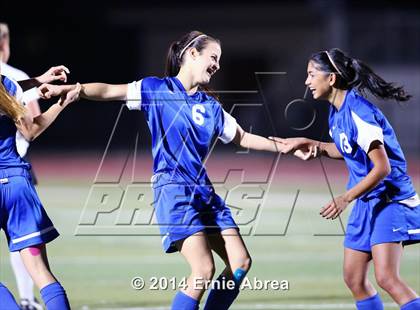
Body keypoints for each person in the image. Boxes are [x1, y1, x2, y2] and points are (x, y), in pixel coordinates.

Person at [39, 30, 290, 310]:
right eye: (213, 57)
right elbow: (110, 90)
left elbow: (242, 137)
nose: (218, 65)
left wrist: (286, 146)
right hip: (173, 188)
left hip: (203, 191)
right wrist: (72, 89)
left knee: (240, 263)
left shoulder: (211, 106)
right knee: (203, 270)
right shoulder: (156, 89)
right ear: (192, 54)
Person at [270, 48, 420, 310]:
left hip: (389, 200)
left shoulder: (358, 112)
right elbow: (346, 148)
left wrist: (345, 197)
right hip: (367, 201)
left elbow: (382, 167)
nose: (307, 81)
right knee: (353, 278)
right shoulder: (336, 111)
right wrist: (314, 146)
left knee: (386, 277)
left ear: (331, 79)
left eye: (311, 74)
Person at [0, 21, 69, 310]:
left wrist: (36, 80)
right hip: (15, 184)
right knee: (41, 273)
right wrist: (61, 102)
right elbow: (30, 130)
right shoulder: (7, 84)